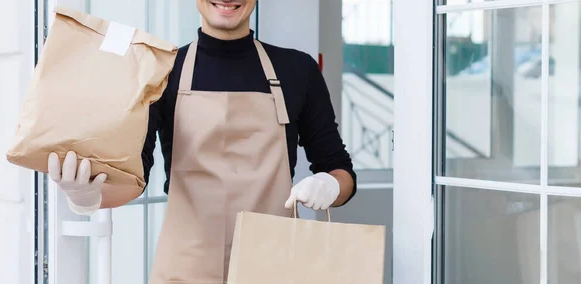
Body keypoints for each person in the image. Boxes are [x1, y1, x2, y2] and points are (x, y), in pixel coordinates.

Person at [47, 0, 357, 283]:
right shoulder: (163, 72)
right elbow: (136, 177)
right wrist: (87, 197)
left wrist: (329, 186)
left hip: (273, 264)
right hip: (186, 263)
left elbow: (340, 171)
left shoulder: (298, 70)